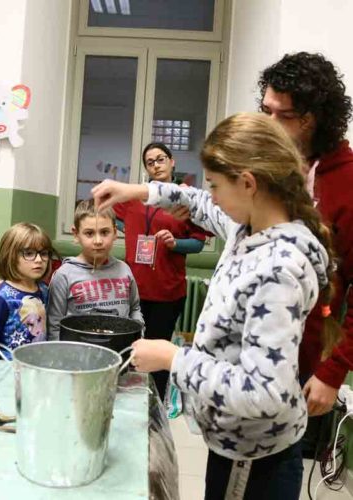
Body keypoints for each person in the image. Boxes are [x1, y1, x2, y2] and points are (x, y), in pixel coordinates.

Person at [92, 113, 340, 499]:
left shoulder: (279, 268)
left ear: (248, 183)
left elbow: (264, 393)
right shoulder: (248, 227)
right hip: (234, 443)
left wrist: (173, 357)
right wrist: (137, 191)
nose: (212, 196)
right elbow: (197, 202)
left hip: (255, 460)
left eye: (216, 185)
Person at [259, 52, 353, 417]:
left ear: (312, 120)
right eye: (266, 110)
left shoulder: (346, 182)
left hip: (302, 357)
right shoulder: (271, 165)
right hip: (252, 347)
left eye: (282, 116)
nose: (269, 123)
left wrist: (332, 372)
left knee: (276, 465)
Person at [114, 142, 207, 399]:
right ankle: (129, 402)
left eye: (160, 159)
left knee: (158, 356)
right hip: (135, 290)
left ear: (172, 161)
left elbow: (198, 244)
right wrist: (128, 230)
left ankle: (155, 406)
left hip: (167, 292)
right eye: (150, 162)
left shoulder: (184, 198)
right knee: (130, 350)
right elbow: (114, 215)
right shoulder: (136, 197)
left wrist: (175, 243)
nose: (156, 165)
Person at [47, 199, 143, 340]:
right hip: (79, 355)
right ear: (75, 234)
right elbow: (55, 326)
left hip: (119, 352)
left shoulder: (124, 270)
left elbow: (134, 308)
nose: (98, 241)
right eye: (89, 233)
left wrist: (137, 335)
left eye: (104, 232)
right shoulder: (64, 275)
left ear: (115, 232)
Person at [0, 223, 53, 359]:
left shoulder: (44, 290)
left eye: (44, 253)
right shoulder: (1, 298)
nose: (39, 260)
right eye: (29, 253)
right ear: (11, 256)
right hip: (8, 374)